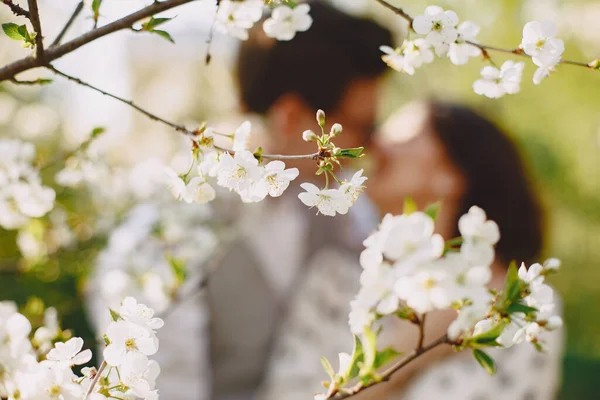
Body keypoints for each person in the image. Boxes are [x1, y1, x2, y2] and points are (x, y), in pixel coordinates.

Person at [205, 2, 394, 400]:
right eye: (362, 125)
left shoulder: (352, 212)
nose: (373, 146)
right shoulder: (183, 229)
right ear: (291, 117)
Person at [365, 100, 564, 399]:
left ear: (452, 175)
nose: (376, 142)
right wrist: (410, 348)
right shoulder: (338, 277)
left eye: (405, 135)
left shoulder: (519, 308)